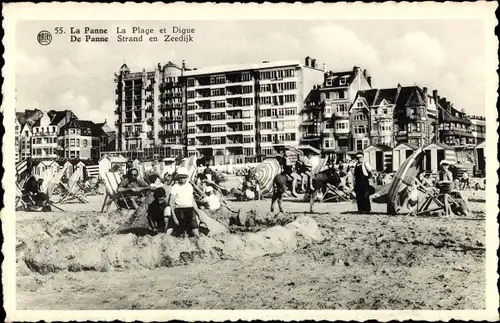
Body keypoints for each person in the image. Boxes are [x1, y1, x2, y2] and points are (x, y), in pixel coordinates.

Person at [167, 167, 200, 238]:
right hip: (180, 210)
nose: (182, 179)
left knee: (195, 230)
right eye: (180, 177)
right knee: (181, 233)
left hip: (190, 209)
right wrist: (174, 217)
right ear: (178, 178)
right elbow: (171, 203)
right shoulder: (175, 187)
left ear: (187, 177)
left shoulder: (189, 186)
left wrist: (198, 214)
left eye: (184, 177)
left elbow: (193, 201)